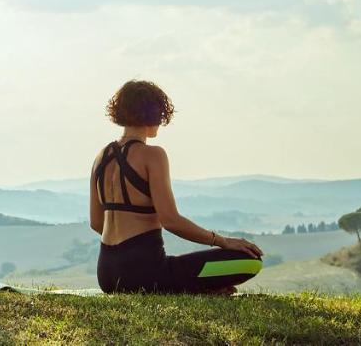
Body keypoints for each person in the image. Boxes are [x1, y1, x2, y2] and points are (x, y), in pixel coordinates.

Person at [89, 79, 264, 294]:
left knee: (176, 268)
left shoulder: (101, 157)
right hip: (145, 274)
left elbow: (97, 222)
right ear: (153, 114)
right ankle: (199, 289)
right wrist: (222, 241)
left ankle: (197, 288)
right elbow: (170, 220)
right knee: (249, 261)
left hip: (106, 274)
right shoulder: (153, 155)